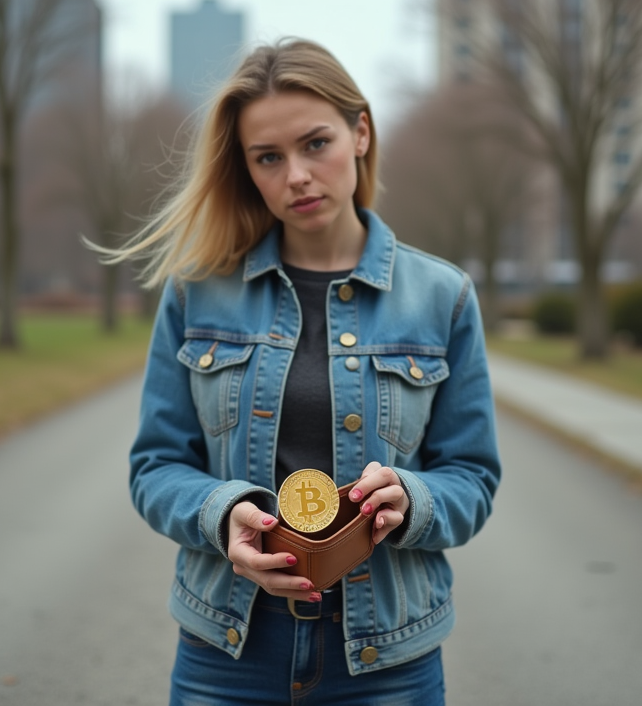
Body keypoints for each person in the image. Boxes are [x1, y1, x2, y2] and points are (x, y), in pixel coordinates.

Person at [92, 38, 500, 705]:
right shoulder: (197, 291)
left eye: (316, 144)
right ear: (247, 169)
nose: (297, 176)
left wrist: (413, 500)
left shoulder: (442, 296)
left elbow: (472, 478)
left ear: (360, 132)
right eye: (268, 158)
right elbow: (155, 466)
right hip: (228, 651)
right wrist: (224, 517)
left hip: (387, 658)